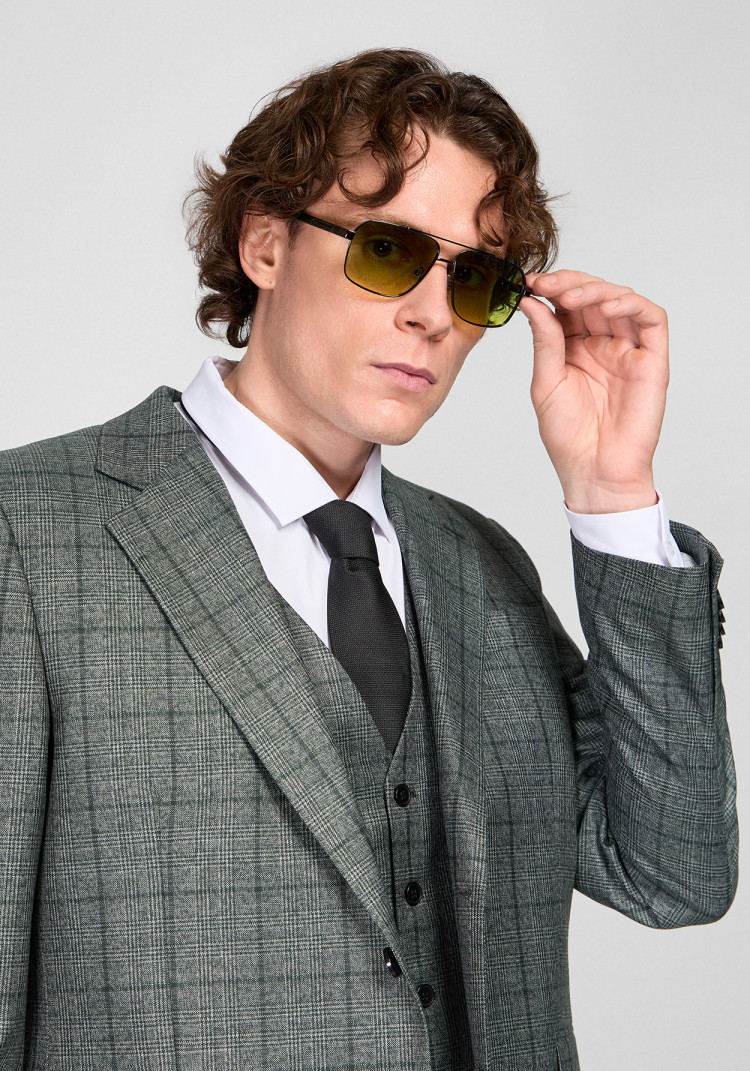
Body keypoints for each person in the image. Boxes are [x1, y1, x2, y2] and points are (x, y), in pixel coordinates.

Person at [0, 47, 737, 1071]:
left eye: (474, 279)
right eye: (388, 251)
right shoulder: (29, 531)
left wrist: (614, 497)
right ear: (265, 244)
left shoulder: (483, 569)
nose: (431, 314)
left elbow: (672, 873)